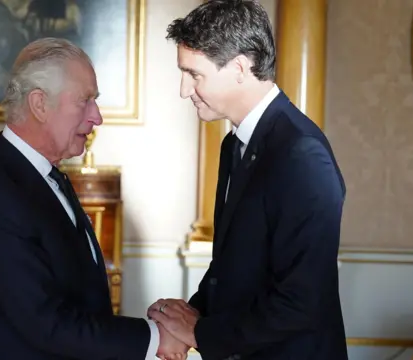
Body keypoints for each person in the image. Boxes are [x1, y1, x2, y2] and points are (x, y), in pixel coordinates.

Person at [0, 38, 188, 360]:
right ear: (39, 104)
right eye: (85, 100)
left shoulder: (44, 176)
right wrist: (153, 338)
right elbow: (46, 324)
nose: (97, 117)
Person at [147, 1, 349, 359]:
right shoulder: (234, 145)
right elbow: (231, 265)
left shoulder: (301, 154)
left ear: (239, 67)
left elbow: (301, 300)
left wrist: (198, 331)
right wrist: (183, 317)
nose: (183, 89)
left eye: (194, 74)